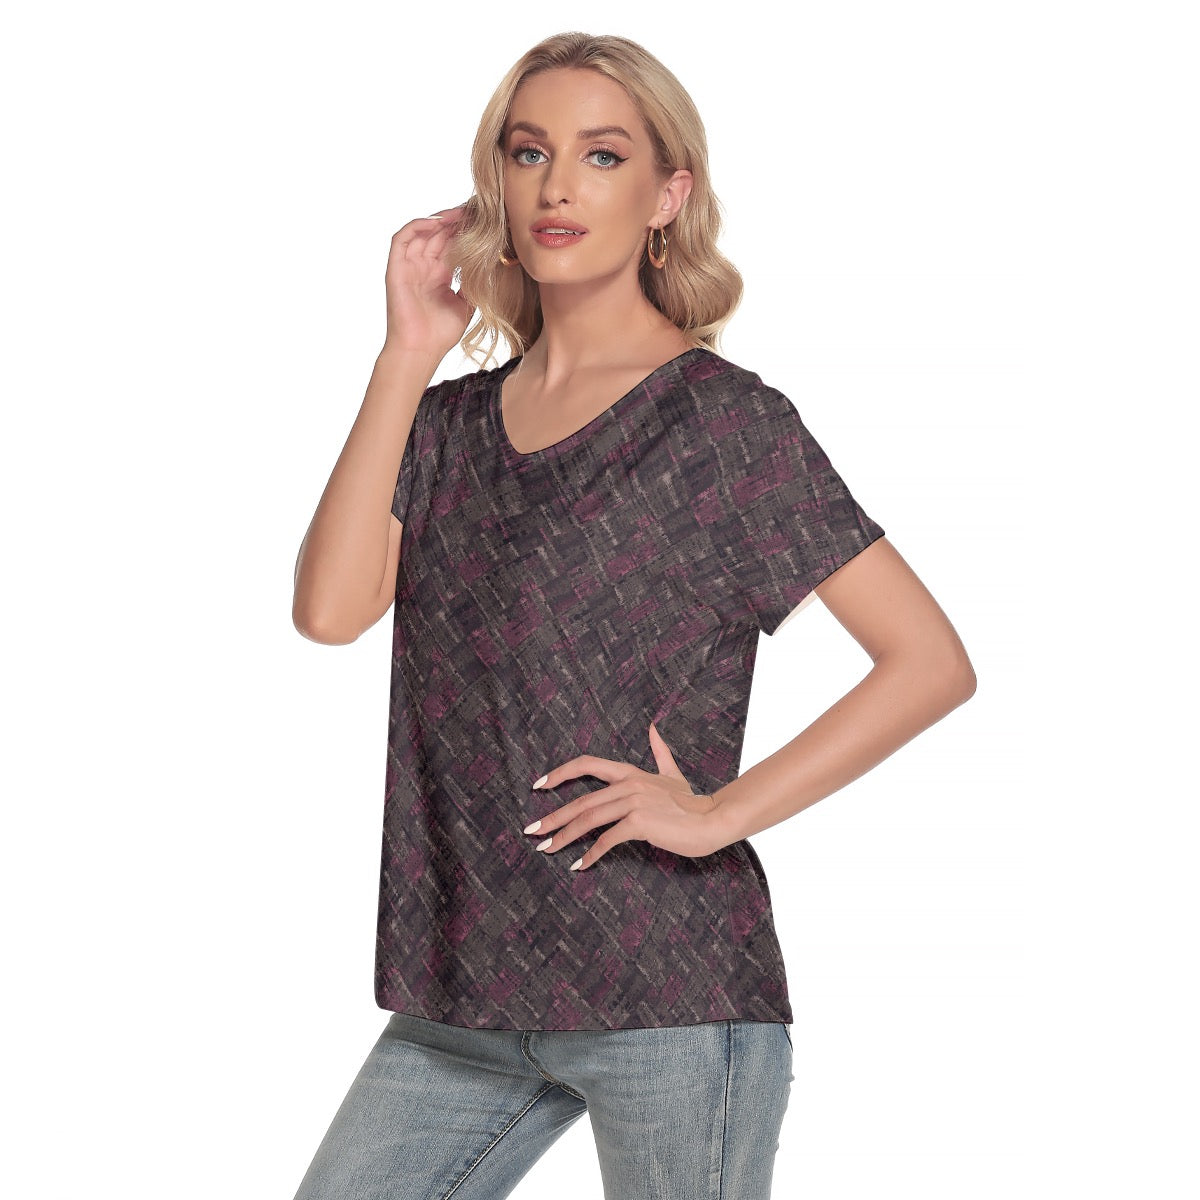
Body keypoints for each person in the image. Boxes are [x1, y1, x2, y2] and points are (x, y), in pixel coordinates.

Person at [290, 30, 976, 1200]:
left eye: (602, 156)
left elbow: (928, 661)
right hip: (463, 996)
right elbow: (330, 609)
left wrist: (718, 816)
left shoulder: (722, 425)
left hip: (667, 990)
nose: (557, 185)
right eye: (529, 153)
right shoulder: (447, 425)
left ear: (668, 196)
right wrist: (406, 354)